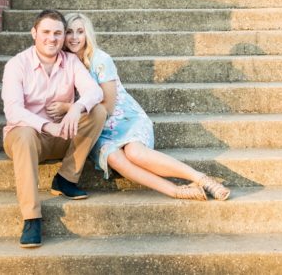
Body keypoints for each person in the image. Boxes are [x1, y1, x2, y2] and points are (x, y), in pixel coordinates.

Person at [47, 12, 231, 202]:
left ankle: (201, 179)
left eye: (80, 32)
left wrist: (67, 108)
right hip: (97, 129)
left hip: (124, 118)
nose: (74, 38)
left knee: (134, 153)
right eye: (69, 32)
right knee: (115, 158)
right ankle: (175, 191)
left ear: (88, 35)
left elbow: (108, 107)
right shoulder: (63, 63)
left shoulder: (100, 60)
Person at [1, 9, 108, 248]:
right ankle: (31, 218)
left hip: (62, 136)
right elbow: (13, 111)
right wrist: (47, 125)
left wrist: (75, 107)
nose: (52, 38)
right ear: (34, 33)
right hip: (28, 140)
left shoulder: (70, 62)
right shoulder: (17, 65)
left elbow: (95, 92)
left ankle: (65, 178)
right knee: (25, 133)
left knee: (97, 110)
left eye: (58, 33)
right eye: (46, 32)